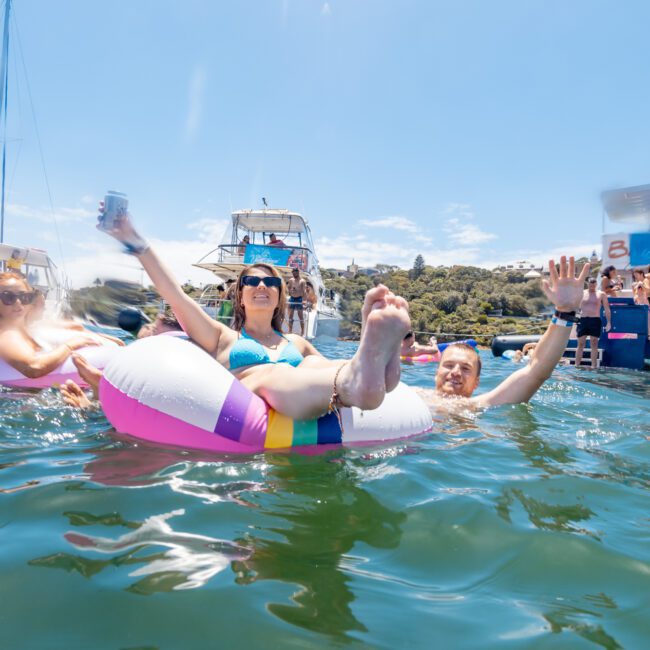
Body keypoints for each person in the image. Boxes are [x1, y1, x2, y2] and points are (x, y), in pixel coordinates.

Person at [93, 210, 410, 420]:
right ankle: (364, 379)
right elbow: (174, 294)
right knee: (272, 374)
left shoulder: (296, 342)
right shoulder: (222, 336)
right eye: (252, 281)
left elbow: (323, 367)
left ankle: (378, 367)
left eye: (271, 281)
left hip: (314, 391)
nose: (262, 285)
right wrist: (135, 241)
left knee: (313, 361)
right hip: (260, 397)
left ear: (279, 296)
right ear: (240, 295)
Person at [417, 257, 590, 409]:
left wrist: (565, 312)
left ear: (476, 382)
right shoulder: (412, 395)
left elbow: (536, 372)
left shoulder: (478, 406)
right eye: (448, 365)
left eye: (466, 368)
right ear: (436, 372)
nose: (455, 372)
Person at [0, 272, 99, 379]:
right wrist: (70, 345)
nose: (18, 302)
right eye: (8, 297)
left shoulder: (25, 328)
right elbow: (34, 368)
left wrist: (100, 337)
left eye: (24, 297)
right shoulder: (7, 335)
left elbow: (71, 326)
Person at [575, 276, 611, 369]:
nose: (592, 286)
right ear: (588, 284)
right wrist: (574, 317)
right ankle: (577, 365)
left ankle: (593, 366)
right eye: (590, 285)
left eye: (594, 285)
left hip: (595, 320)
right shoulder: (582, 293)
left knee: (594, 343)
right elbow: (575, 306)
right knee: (580, 343)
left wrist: (609, 322)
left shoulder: (601, 294)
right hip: (583, 320)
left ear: (596, 284)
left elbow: (607, 309)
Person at [286, 267, 307, 336]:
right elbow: (288, 287)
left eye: (296, 272)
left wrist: (304, 300)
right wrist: (290, 291)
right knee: (290, 316)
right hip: (292, 298)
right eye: (293, 272)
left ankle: (302, 332)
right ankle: (290, 331)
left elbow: (304, 291)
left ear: (298, 272)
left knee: (300, 316)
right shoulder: (291, 280)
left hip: (299, 299)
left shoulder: (302, 281)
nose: (294, 273)